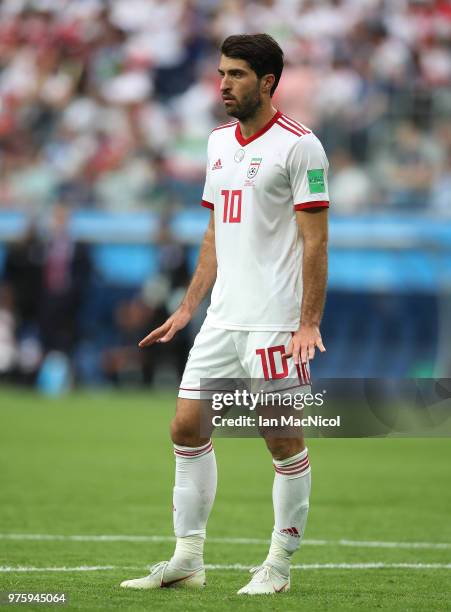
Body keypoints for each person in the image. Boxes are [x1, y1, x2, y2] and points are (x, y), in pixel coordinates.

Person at [120, 33, 329, 595]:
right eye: (221, 73)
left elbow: (316, 243)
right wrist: (189, 304)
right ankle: (188, 558)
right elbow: (215, 230)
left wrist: (308, 321)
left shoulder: (301, 147)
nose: (223, 84)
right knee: (186, 427)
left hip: (276, 320)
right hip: (221, 318)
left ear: (267, 82)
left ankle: (279, 567)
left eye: (236, 74)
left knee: (281, 437)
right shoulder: (216, 143)